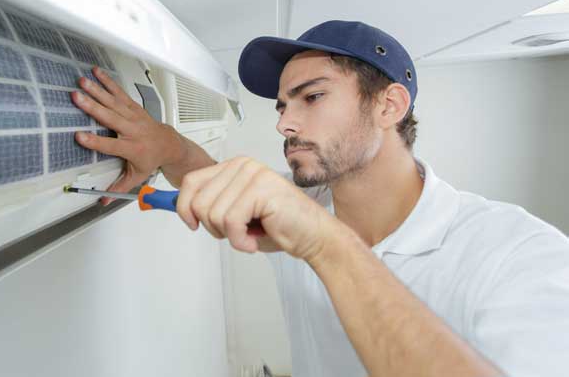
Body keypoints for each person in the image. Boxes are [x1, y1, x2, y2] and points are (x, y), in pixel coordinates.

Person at [70, 20, 569, 377]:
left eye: (312, 97)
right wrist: (167, 145)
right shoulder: (304, 215)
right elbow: (224, 185)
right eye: (283, 105)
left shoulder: (520, 255)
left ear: (390, 104)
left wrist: (324, 243)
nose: (286, 123)